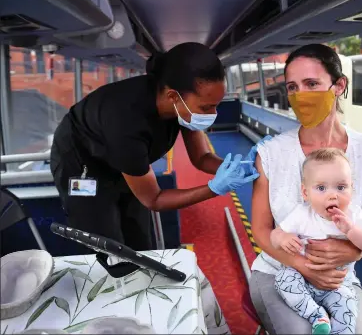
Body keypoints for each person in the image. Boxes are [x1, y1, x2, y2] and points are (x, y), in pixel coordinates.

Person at [50, 41, 269, 252]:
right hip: (82, 165)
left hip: (125, 161)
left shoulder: (181, 106)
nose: (213, 114)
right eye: (206, 107)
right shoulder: (127, 122)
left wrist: (242, 168)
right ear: (173, 96)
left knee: (139, 235)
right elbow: (154, 199)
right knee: (105, 243)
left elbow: (201, 157)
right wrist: (214, 188)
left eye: (216, 106)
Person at [249, 43, 362, 334]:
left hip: (339, 278)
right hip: (279, 271)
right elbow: (262, 231)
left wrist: (353, 253)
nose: (300, 95)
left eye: (312, 84)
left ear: (338, 85)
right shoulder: (271, 153)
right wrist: (301, 265)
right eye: (292, 87)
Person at [271, 148, 362, 334]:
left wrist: (351, 230)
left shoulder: (354, 215)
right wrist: (283, 237)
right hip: (302, 278)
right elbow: (274, 237)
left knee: (347, 306)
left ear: (352, 189)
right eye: (321, 188)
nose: (332, 195)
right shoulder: (302, 214)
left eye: (341, 187)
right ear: (305, 193)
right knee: (283, 279)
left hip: (338, 284)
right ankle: (317, 316)